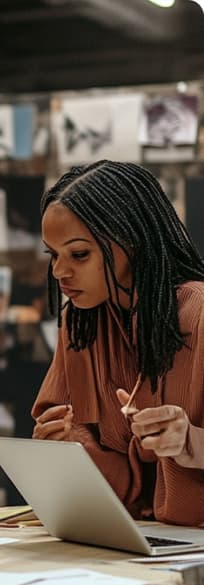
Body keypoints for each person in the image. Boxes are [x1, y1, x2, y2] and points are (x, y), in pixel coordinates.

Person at [31, 160, 204, 526]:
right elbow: (119, 480)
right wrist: (67, 445)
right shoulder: (79, 325)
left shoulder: (200, 313)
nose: (59, 272)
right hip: (127, 536)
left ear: (132, 241)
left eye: (79, 254)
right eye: (53, 255)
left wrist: (190, 442)